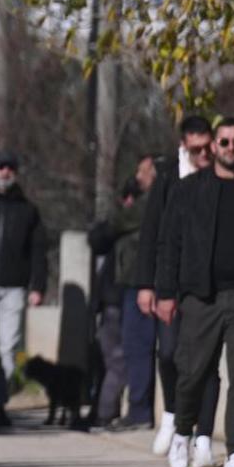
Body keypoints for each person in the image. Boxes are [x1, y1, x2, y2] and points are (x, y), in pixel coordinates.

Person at [155, 118, 234, 467]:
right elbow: (169, 243)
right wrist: (165, 293)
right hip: (201, 295)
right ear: (214, 146)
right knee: (192, 372)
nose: (230, 147)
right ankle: (183, 433)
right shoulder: (189, 190)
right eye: (225, 141)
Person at [136, 117, 221, 460]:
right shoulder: (169, 176)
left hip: (209, 284)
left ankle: (203, 435)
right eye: (195, 148)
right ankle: (171, 414)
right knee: (169, 353)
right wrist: (147, 285)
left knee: (207, 361)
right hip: (171, 280)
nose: (203, 154)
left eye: (207, 147)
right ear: (184, 144)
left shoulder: (224, 176)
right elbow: (151, 231)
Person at [0, 151, 47, 427]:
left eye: (10, 167)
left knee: (7, 348)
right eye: (0, 166)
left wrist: (38, 286)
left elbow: (38, 251)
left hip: (14, 287)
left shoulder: (27, 209)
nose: (5, 171)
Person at [88, 178, 145, 427]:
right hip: (112, 301)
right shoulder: (116, 227)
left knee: (118, 360)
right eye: (128, 198)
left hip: (127, 300)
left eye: (137, 198)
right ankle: (103, 412)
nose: (132, 203)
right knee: (114, 360)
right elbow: (96, 240)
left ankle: (104, 411)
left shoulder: (141, 226)